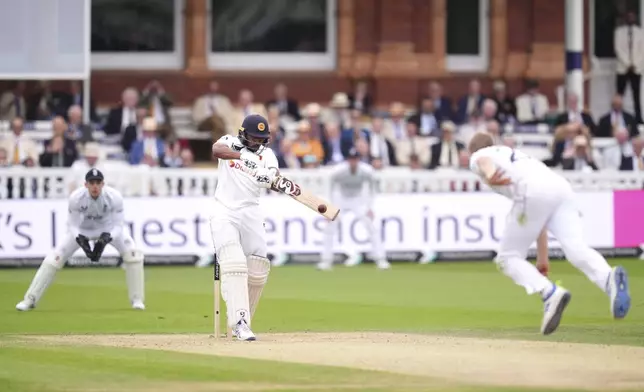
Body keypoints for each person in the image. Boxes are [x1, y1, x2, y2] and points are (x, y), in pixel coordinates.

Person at [467, 132, 631, 335]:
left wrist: (490, 175)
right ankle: (608, 278)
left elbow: (483, 160)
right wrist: (542, 258)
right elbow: (538, 216)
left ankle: (549, 293)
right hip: (560, 188)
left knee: (507, 258)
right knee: (575, 247)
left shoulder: (479, 155)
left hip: (532, 191)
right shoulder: (514, 154)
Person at [15, 169, 145, 311]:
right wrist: (81, 240)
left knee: (133, 254)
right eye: (91, 183)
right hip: (82, 231)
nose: (95, 186)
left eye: (98, 183)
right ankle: (29, 300)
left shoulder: (114, 197)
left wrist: (106, 239)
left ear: (103, 184)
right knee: (54, 258)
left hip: (108, 230)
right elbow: (73, 225)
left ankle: (137, 300)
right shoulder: (76, 198)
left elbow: (118, 226)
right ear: (85, 184)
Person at [210, 114, 278, 341]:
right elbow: (216, 150)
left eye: (261, 139)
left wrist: (271, 178)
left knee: (258, 268)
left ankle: (244, 322)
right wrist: (243, 157)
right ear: (243, 134)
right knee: (234, 262)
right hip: (225, 210)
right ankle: (239, 322)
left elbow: (274, 179)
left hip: (251, 211)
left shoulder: (267, 155)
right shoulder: (230, 141)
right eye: (254, 138)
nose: (258, 143)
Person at [317, 149, 390, 271]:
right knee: (330, 228)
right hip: (341, 198)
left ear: (359, 160)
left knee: (370, 226)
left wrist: (369, 207)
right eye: (351, 159)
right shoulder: (339, 171)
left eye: (355, 159)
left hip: (358, 199)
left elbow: (372, 189)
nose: (353, 162)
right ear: (347, 160)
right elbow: (329, 186)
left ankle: (381, 259)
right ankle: (326, 261)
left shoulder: (366, 171)